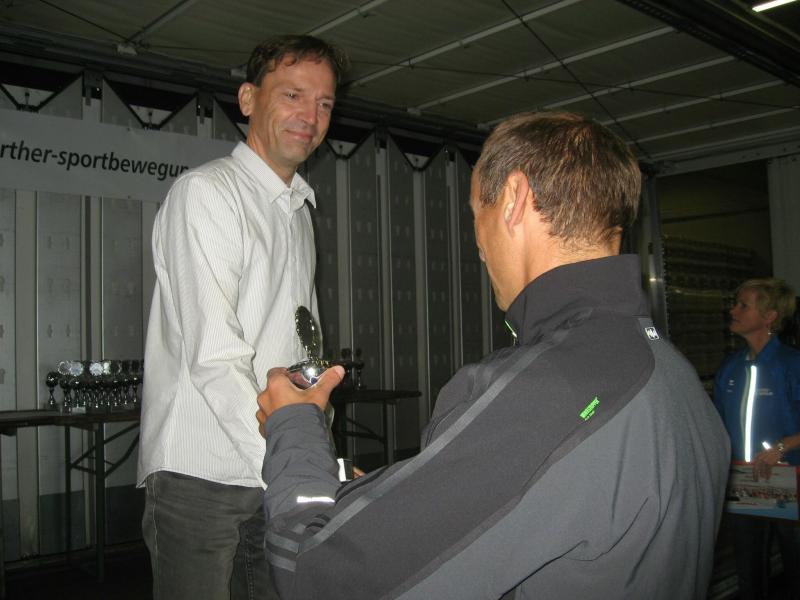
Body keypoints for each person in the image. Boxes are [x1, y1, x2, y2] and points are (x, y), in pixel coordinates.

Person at [255, 111, 731, 599]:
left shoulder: (548, 390)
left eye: (475, 212)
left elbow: (317, 574)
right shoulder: (671, 372)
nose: (479, 243)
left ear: (514, 199)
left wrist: (294, 425)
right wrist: (399, 499)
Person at [136, 35, 348, 600]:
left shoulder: (297, 210)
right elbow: (214, 355)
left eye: (324, 103)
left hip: (268, 466)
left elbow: (302, 345)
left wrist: (308, 449)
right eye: (293, 95)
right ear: (249, 99)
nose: (310, 117)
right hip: (202, 474)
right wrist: (290, 460)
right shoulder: (208, 194)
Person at [713, 278, 800, 600]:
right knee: (749, 572)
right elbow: (718, 424)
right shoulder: (730, 367)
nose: (732, 311)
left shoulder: (792, 364)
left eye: (743, 306)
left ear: (769, 316)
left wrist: (783, 446)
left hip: (791, 482)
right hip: (744, 484)